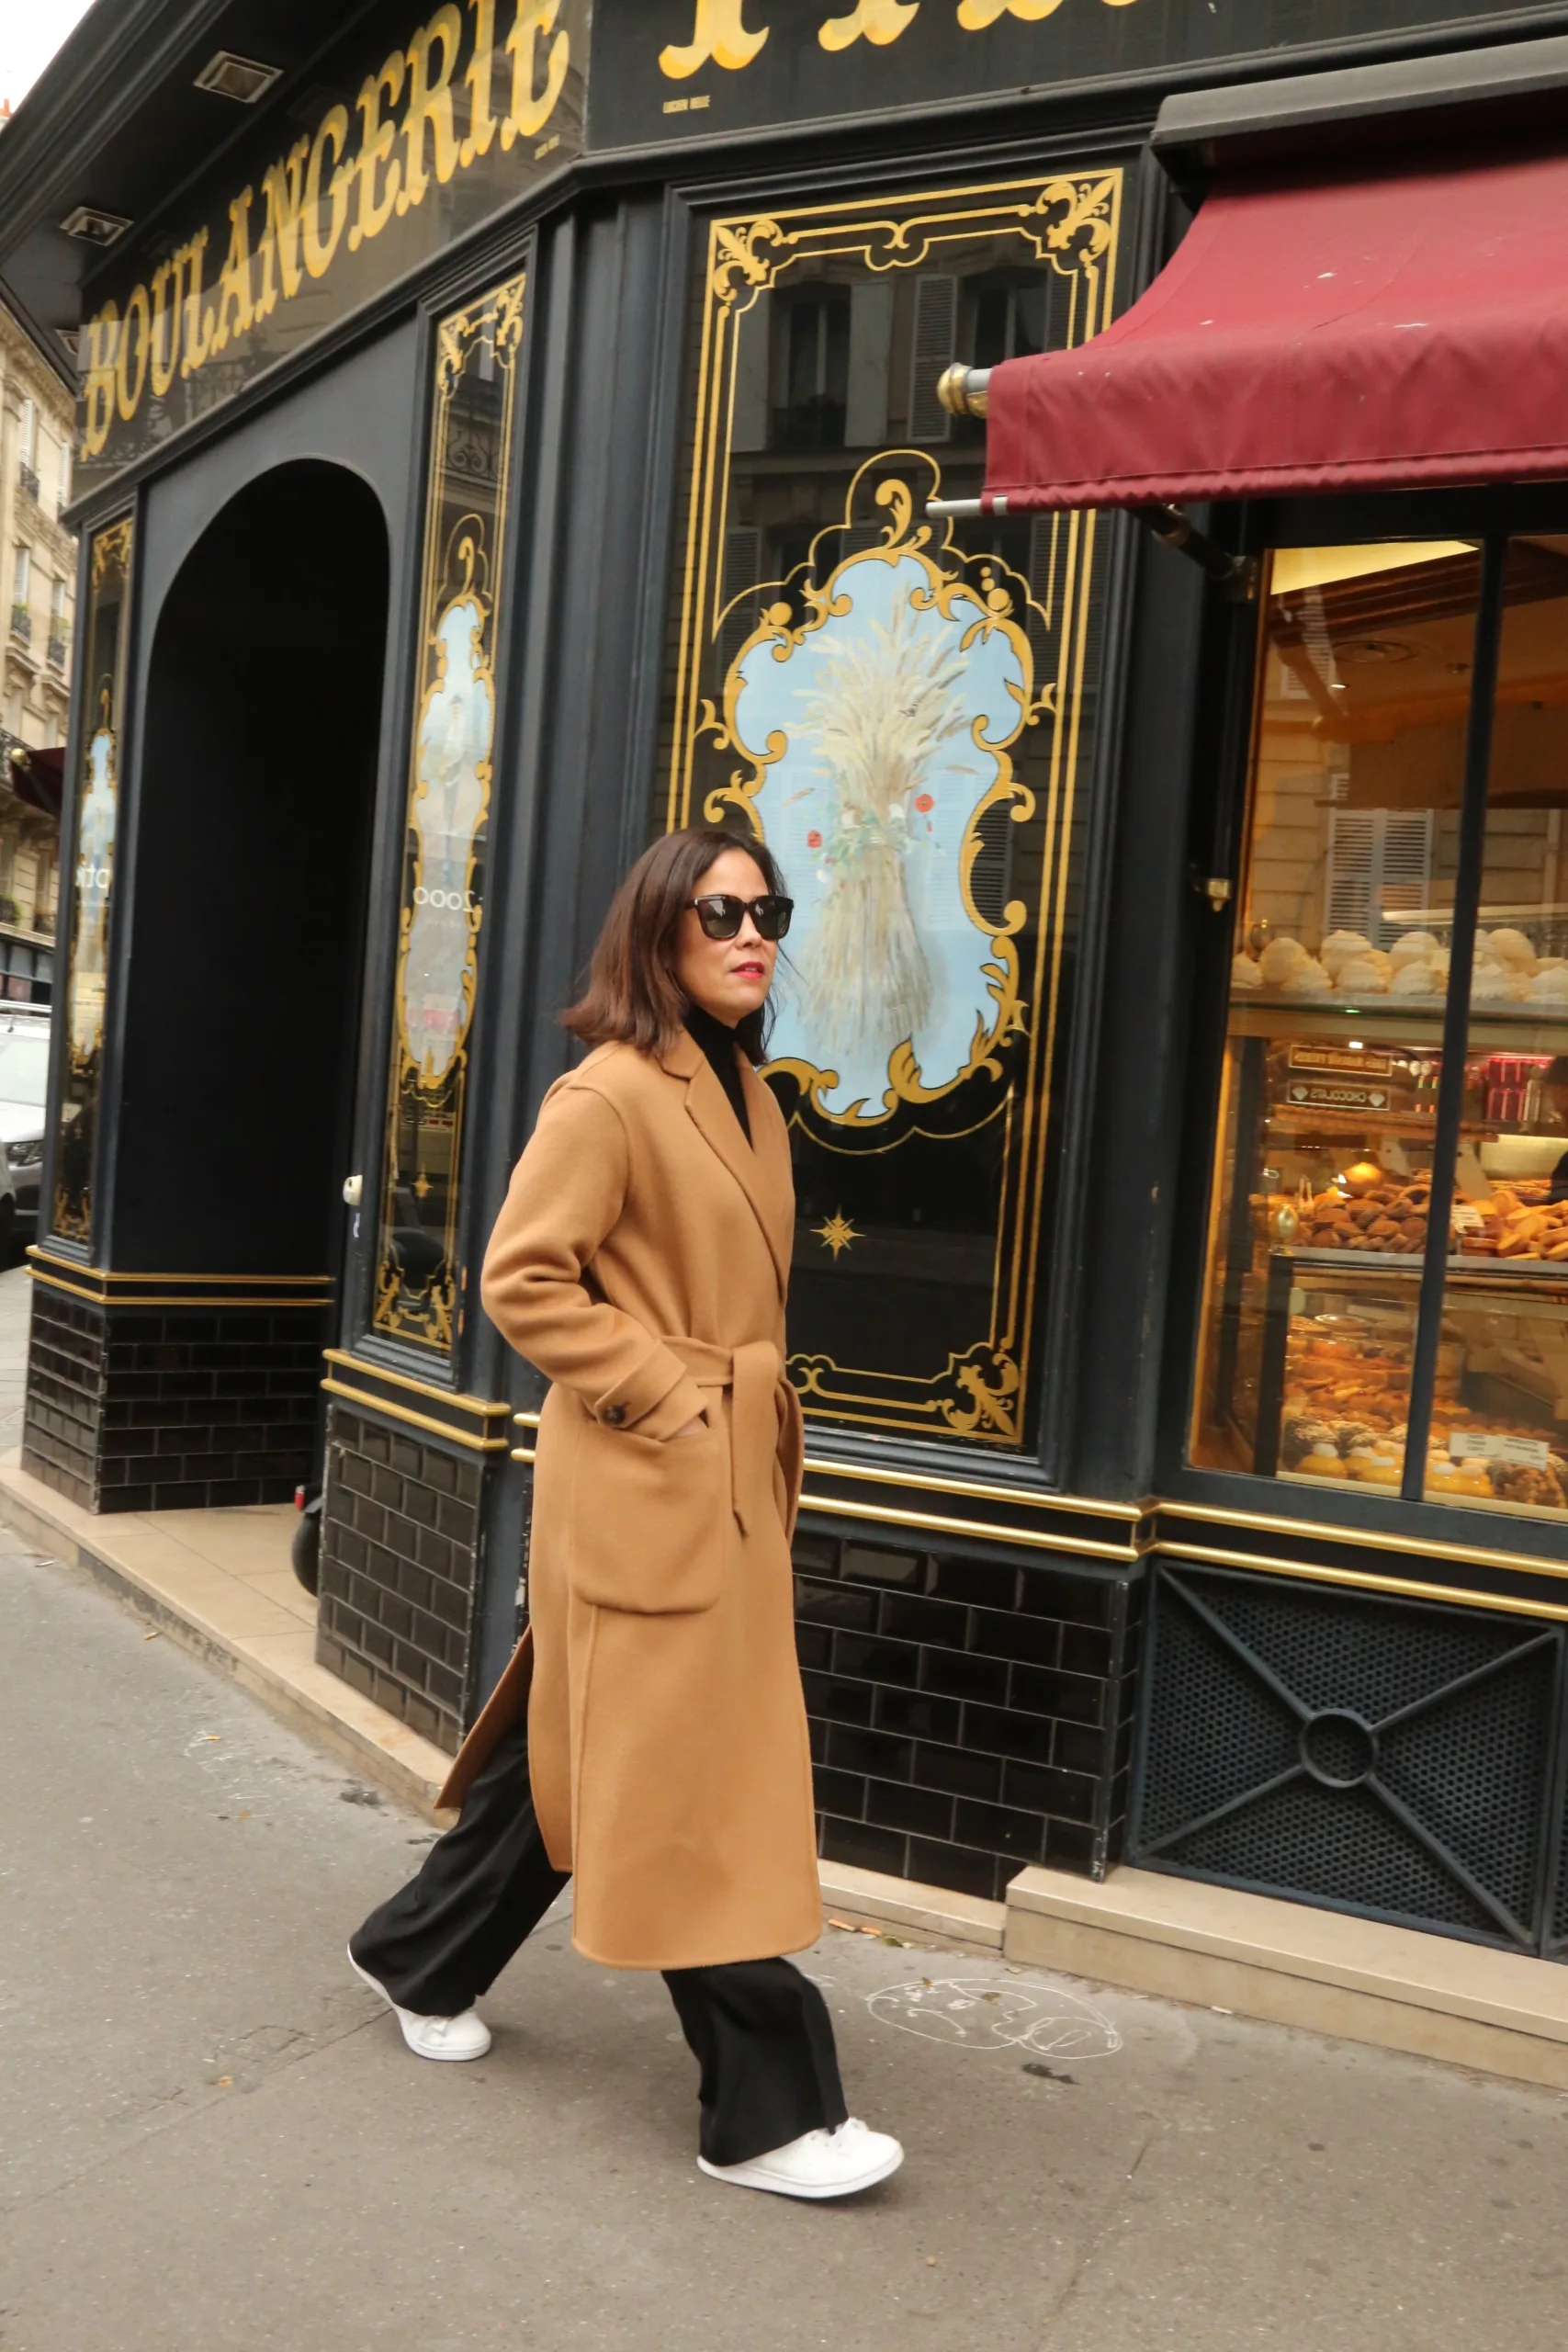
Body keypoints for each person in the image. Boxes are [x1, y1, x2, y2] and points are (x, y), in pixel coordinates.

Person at [346, 825, 903, 2202]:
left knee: (593, 1751)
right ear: (654, 933)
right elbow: (524, 1280)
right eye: (719, 912)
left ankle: (419, 1946)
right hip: (654, 1468)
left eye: (766, 909)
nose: (750, 933)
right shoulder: (604, 1095)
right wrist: (667, 1395)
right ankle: (767, 2112)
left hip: (724, 1474)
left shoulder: (749, 1093)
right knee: (680, 1781)